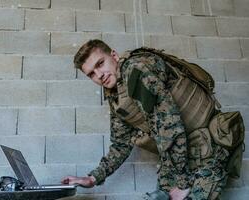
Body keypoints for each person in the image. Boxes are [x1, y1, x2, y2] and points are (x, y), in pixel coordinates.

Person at [61, 40, 229, 200]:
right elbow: (121, 144)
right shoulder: (117, 96)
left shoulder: (137, 71)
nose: (99, 75)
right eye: (91, 74)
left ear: (114, 56)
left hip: (206, 149)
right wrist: (92, 178)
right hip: (178, 159)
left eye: (100, 64)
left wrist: (183, 183)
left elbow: (169, 125)